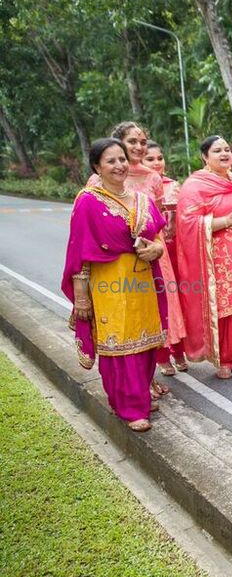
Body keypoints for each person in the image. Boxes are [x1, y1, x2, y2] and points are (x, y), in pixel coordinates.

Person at [62, 138, 167, 432]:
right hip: (108, 281)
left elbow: (157, 236)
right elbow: (78, 253)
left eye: (122, 159)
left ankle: (141, 396)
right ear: (97, 166)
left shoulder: (142, 199)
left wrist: (156, 249)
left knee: (145, 340)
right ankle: (128, 406)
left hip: (143, 279)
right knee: (119, 341)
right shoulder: (88, 201)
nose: (119, 165)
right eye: (111, 161)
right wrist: (81, 299)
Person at [90, 122, 183, 390]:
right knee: (125, 318)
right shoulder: (98, 182)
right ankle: (133, 383)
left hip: (153, 256)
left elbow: (160, 224)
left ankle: (148, 376)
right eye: (132, 142)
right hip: (114, 264)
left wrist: (157, 248)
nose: (140, 147)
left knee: (151, 316)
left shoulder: (153, 178)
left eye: (143, 141)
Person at [175, 136, 232, 379]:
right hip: (214, 257)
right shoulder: (195, 185)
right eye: (217, 151)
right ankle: (224, 358)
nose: (224, 154)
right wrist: (225, 221)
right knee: (224, 309)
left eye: (227, 149)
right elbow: (187, 222)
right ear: (205, 157)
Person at [143, 139, 188, 373]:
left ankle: (179, 351)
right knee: (161, 303)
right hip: (157, 253)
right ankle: (162, 356)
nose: (156, 162)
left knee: (179, 302)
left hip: (177, 252)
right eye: (150, 158)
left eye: (159, 158)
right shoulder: (139, 188)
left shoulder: (174, 186)